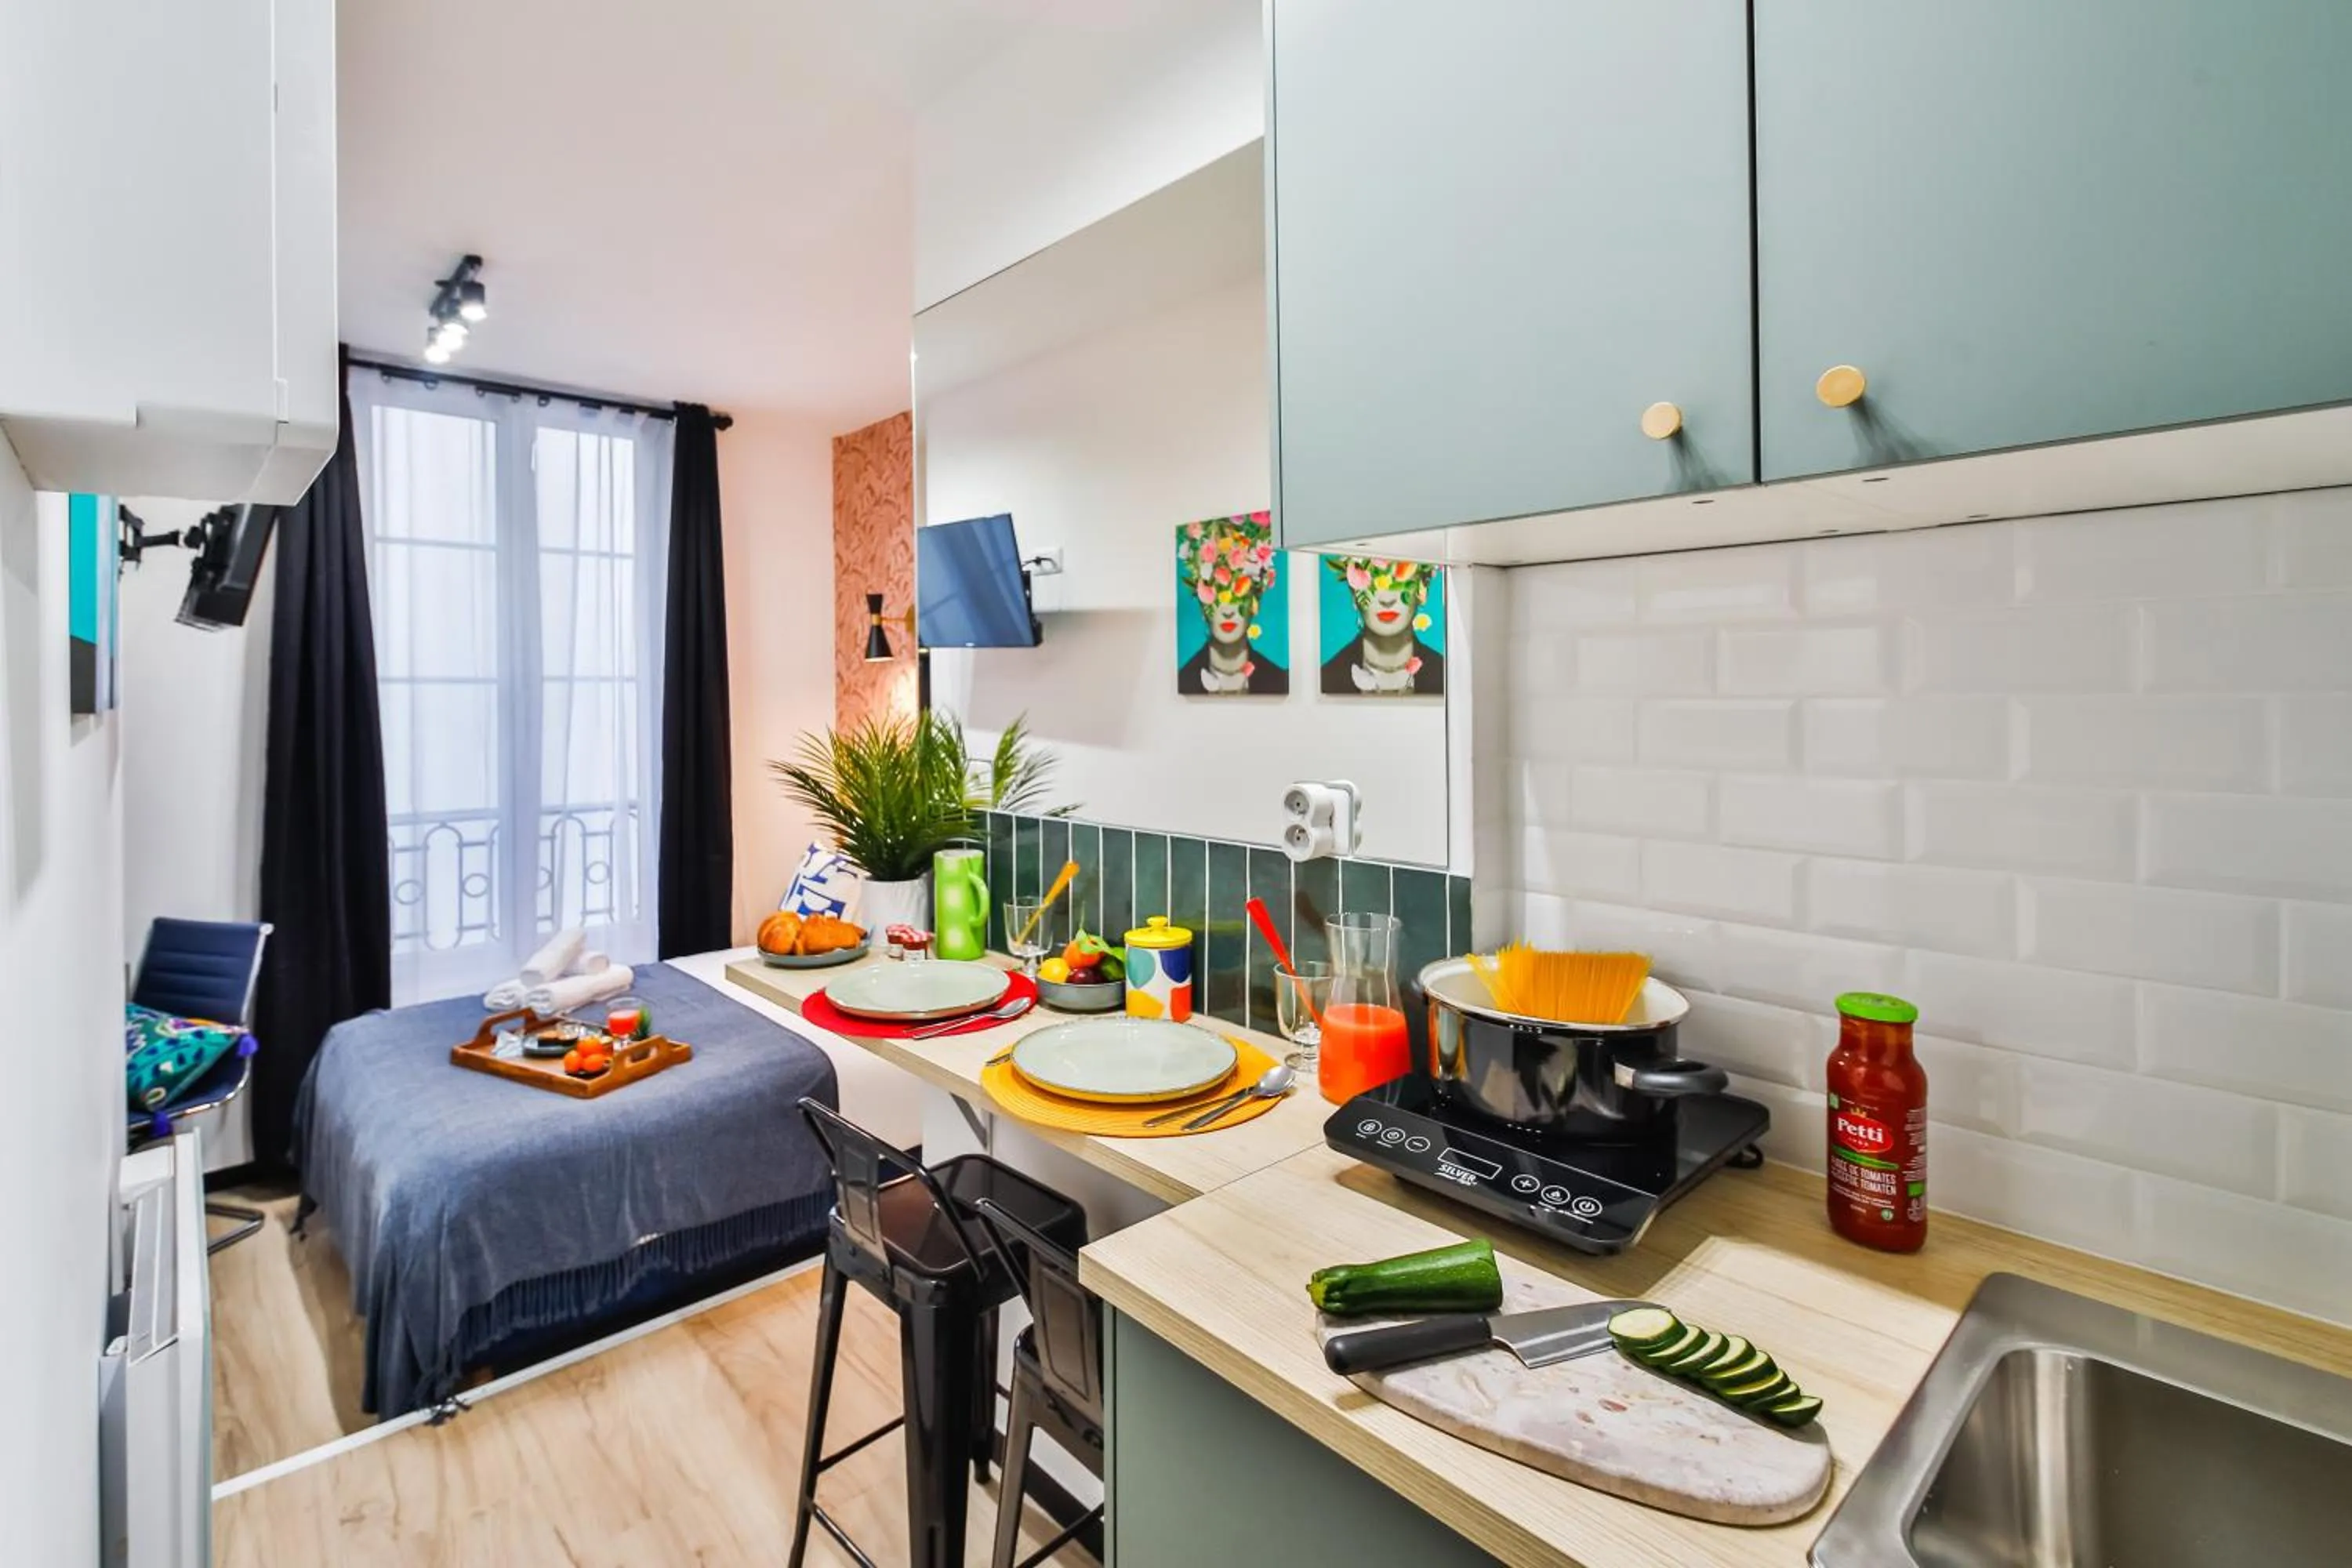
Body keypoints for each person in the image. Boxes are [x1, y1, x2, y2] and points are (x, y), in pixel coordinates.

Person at [1178, 514, 1289, 695]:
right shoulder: (1185, 678)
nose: (1228, 611)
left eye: (1240, 591)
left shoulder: (1277, 679)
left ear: (1255, 602)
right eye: (1216, 593)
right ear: (1201, 605)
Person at [1321, 556, 1444, 695]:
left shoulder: (1452, 679)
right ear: (1353, 593)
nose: (1387, 599)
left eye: (1400, 580)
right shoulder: (1323, 680)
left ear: (1423, 589)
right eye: (1372, 579)